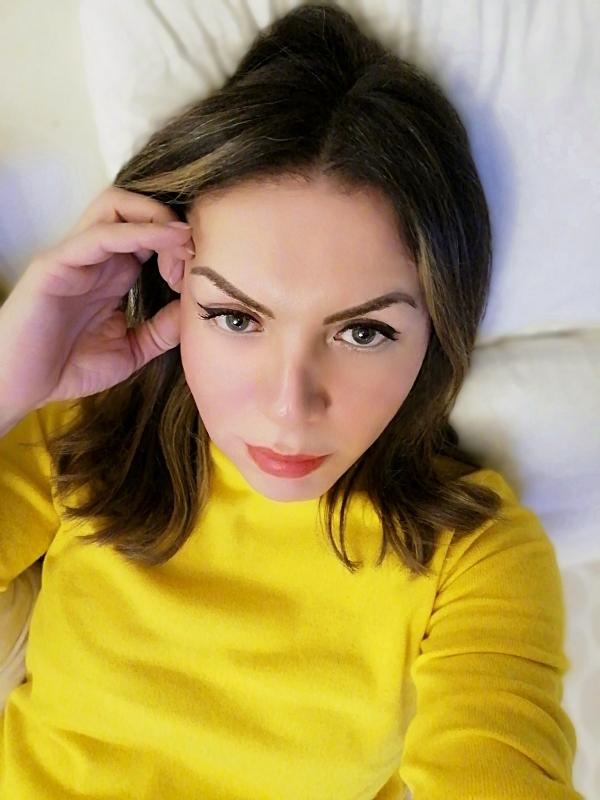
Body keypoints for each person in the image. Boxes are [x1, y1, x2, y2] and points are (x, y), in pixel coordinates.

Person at [0, 3, 582, 798]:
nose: (288, 407)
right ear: (175, 289)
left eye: (364, 332)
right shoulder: (83, 436)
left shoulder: (473, 557)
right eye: (236, 317)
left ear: (437, 330)